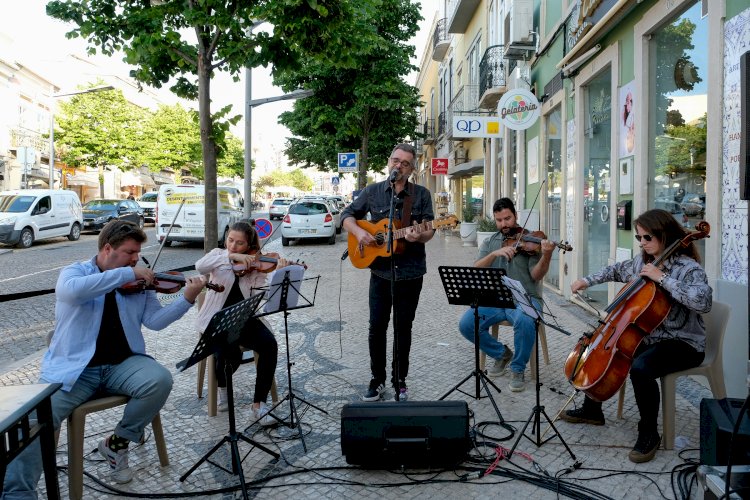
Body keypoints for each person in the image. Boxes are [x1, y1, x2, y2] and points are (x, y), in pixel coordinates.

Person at [1, 220, 204, 498]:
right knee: (36, 416)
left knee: (159, 380)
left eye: (137, 254)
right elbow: (70, 292)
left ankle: (117, 443)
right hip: (75, 371)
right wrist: (126, 274)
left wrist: (187, 299)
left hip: (122, 364)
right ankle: (17, 493)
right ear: (108, 248)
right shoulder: (75, 273)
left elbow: (155, 322)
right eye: (130, 253)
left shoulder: (139, 283)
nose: (136, 259)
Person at [561, 208, 712, 464]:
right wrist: (586, 280)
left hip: (684, 342)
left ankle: (649, 433)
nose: (642, 243)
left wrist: (663, 278)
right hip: (652, 337)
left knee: (641, 368)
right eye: (639, 238)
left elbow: (703, 301)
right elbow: (615, 270)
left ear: (664, 235)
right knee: (610, 352)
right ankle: (592, 410)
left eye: (647, 238)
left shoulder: (688, 268)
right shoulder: (642, 261)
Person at [341, 143, 435, 402]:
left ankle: (400, 380)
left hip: (411, 273)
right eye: (396, 160)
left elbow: (430, 230)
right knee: (377, 327)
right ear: (389, 161)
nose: (399, 166)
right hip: (380, 273)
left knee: (403, 328)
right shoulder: (372, 192)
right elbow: (347, 215)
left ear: (412, 168)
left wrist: (419, 236)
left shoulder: (421, 194)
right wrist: (360, 232)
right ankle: (377, 379)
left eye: (405, 163)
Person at [195, 221, 290, 425]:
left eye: (239, 244)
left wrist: (275, 275)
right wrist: (230, 256)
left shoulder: (255, 266)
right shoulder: (217, 255)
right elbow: (200, 266)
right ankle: (222, 387)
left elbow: (260, 296)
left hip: (244, 318)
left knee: (269, 344)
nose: (233, 245)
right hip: (216, 318)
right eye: (231, 240)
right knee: (231, 354)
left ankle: (259, 405)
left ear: (249, 246)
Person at [457, 197, 556, 393]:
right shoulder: (490, 241)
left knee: (526, 319)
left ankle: (518, 368)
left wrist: (547, 255)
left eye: (508, 219)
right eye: (499, 220)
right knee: (466, 324)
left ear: (515, 216)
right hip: (495, 300)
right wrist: (494, 254)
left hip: (525, 298)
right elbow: (476, 268)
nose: (504, 224)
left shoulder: (529, 240)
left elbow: (537, 275)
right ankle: (502, 354)